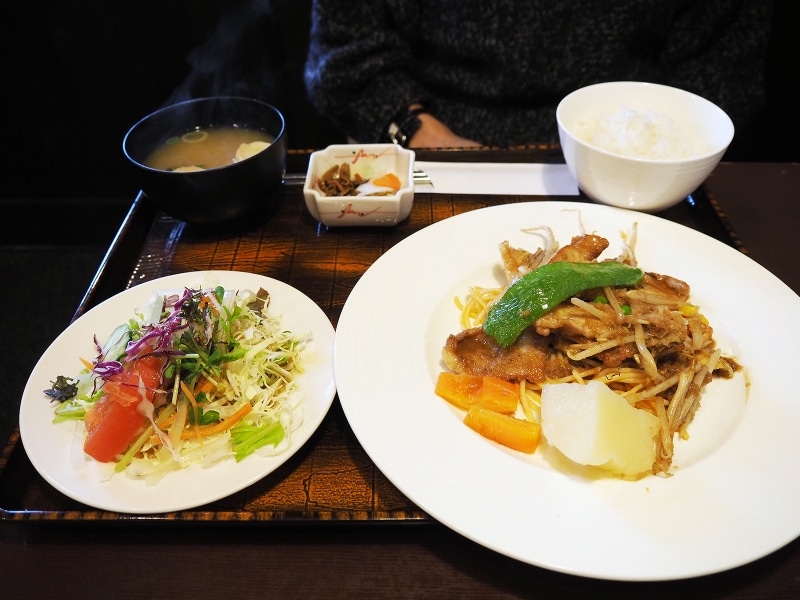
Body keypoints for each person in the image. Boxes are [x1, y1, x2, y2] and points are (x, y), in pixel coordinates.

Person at [303, 0, 773, 151]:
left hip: (633, 151)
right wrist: (422, 135)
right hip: (434, 140)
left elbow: (721, 65)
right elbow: (346, 52)